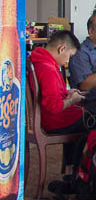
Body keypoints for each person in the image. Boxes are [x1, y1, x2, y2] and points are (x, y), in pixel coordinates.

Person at [29, 30, 91, 166]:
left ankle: (72, 168)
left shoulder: (38, 61)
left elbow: (50, 94)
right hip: (54, 121)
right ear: (61, 48)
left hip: (46, 118)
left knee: (89, 117)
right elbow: (53, 106)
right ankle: (81, 172)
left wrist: (66, 93)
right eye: (69, 56)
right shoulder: (48, 69)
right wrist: (72, 100)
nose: (66, 61)